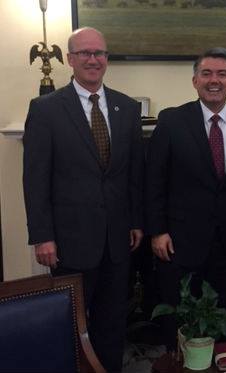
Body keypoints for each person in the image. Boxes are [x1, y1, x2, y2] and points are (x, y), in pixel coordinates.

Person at [23, 27, 144, 372]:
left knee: (112, 322)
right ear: (71, 59)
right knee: (71, 323)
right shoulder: (46, 109)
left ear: (107, 59)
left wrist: (136, 221)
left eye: (100, 53)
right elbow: (35, 178)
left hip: (118, 240)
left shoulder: (126, 106)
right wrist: (42, 235)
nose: (93, 60)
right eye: (85, 53)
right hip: (69, 241)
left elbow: (133, 173)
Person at [145, 47, 226, 349]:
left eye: (222, 74)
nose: (214, 80)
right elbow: (154, 180)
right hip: (180, 244)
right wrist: (158, 231)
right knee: (180, 323)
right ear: (195, 80)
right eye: (207, 73)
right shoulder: (172, 122)